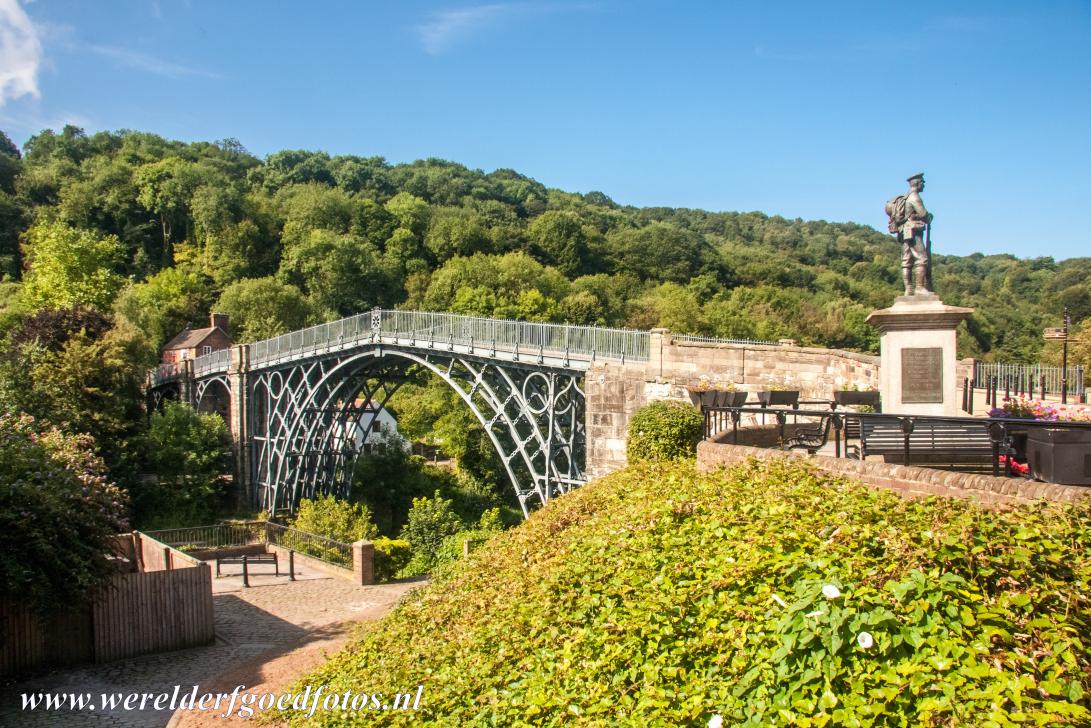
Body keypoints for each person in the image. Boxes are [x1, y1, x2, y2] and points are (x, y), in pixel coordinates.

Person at [898, 173, 933, 295]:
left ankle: (908, 289)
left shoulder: (906, 197)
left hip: (904, 232)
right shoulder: (914, 197)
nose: (924, 184)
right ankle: (919, 287)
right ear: (917, 183)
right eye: (922, 182)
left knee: (906, 260)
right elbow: (924, 215)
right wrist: (929, 217)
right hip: (914, 231)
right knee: (921, 258)